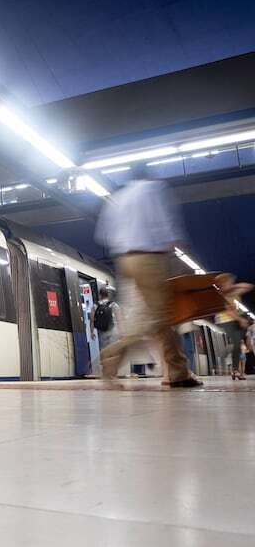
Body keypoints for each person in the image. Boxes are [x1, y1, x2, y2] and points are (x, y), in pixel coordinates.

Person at [94, 164, 201, 388]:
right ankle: (178, 373)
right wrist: (177, 250)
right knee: (162, 318)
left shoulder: (118, 197)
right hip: (149, 258)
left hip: (125, 261)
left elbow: (104, 234)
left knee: (146, 320)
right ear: (148, 174)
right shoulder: (154, 189)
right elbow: (167, 225)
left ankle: (115, 358)